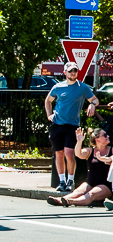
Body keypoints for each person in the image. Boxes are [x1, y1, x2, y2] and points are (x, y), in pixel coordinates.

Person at [45, 61, 99, 192]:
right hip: (57, 124)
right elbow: (48, 101)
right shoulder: (58, 87)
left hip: (72, 125)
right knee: (58, 153)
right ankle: (62, 181)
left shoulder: (83, 87)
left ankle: (71, 180)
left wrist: (92, 104)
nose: (73, 73)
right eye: (70, 71)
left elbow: (95, 99)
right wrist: (49, 115)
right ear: (65, 73)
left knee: (69, 153)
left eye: (75, 71)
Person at [47, 128, 112, 207]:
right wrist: (79, 141)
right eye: (105, 135)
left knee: (91, 194)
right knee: (77, 192)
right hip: (91, 183)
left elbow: (111, 158)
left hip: (106, 185)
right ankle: (60, 200)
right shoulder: (90, 151)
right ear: (97, 139)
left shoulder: (111, 150)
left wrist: (104, 159)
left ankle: (70, 201)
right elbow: (78, 154)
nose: (108, 136)